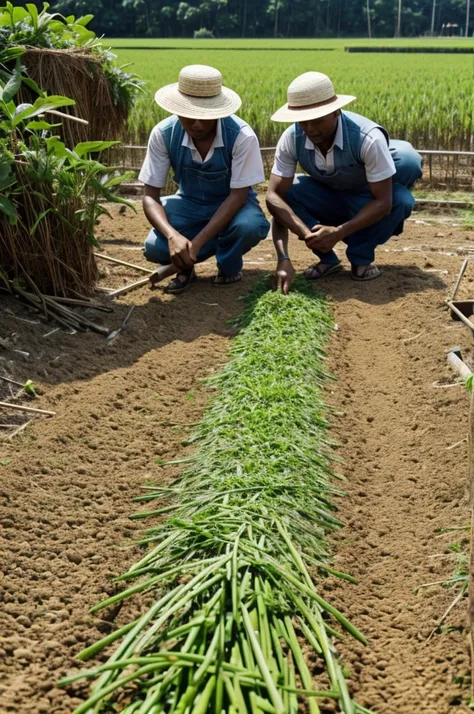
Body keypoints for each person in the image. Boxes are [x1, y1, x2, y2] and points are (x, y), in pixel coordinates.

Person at [266, 71, 422, 293]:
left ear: (336, 111)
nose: (309, 129)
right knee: (289, 193)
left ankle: (361, 257)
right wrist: (304, 234)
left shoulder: (367, 138)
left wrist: (339, 232)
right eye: (303, 122)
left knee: (401, 200)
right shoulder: (291, 138)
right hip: (328, 195)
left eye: (317, 120)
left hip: (366, 197)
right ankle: (327, 258)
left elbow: (383, 202)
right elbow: (273, 196)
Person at [139, 64, 270, 294]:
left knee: (249, 226)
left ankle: (228, 265)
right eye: (189, 115)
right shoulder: (163, 133)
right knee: (153, 247)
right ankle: (185, 265)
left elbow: (238, 195)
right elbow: (150, 196)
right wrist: (173, 237)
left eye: (204, 116)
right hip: (189, 203)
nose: (196, 124)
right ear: (177, 109)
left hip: (233, 205)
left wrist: (197, 243)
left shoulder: (241, 136)